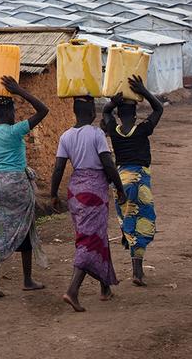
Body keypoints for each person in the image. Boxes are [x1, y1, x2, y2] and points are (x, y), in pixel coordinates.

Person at [50, 96, 125, 312]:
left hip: (76, 190)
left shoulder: (66, 136)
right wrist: (119, 188)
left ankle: (105, 288)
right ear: (92, 112)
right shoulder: (97, 134)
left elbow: (58, 169)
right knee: (89, 240)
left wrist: (53, 194)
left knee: (95, 235)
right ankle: (72, 290)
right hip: (94, 190)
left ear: (75, 112)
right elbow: (107, 163)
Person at [0, 76, 50, 298]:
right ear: (10, 112)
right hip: (18, 184)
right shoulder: (16, 131)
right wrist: (19, 91)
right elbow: (43, 110)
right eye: (14, 110)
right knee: (26, 228)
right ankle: (27, 280)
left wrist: (0, 178)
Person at [101, 75, 163, 287]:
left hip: (120, 181)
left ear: (119, 115)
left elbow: (105, 112)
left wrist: (113, 103)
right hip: (139, 182)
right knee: (143, 224)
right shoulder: (142, 130)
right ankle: (137, 271)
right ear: (135, 116)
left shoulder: (113, 131)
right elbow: (158, 109)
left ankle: (136, 269)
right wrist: (143, 91)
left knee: (128, 223)